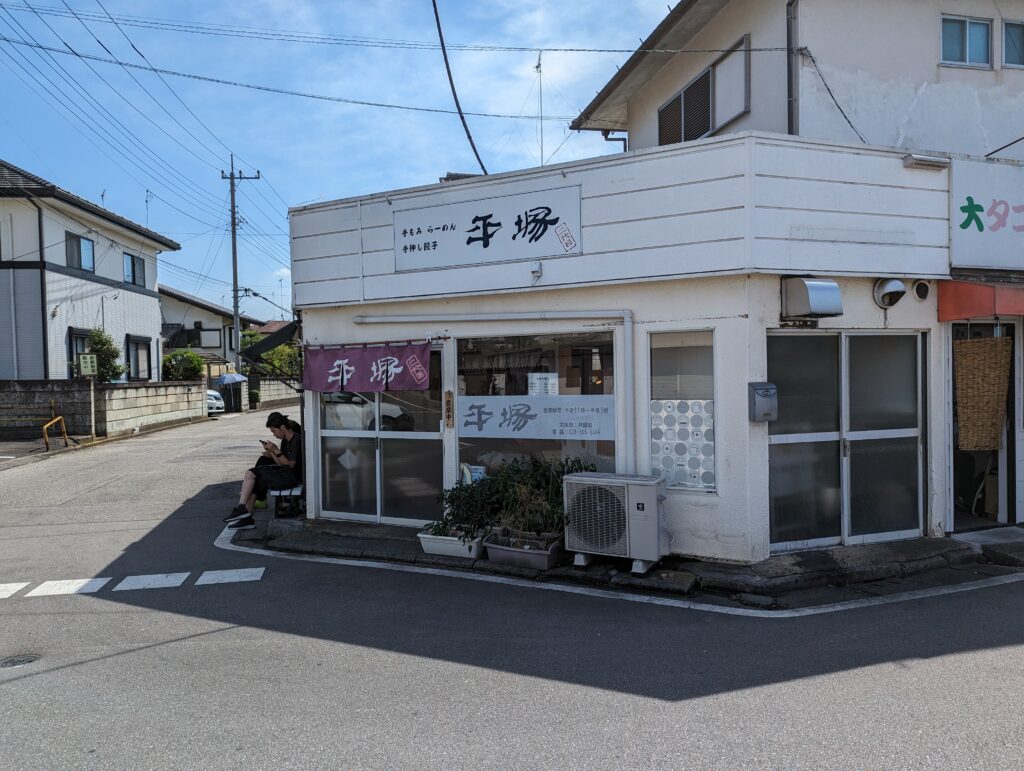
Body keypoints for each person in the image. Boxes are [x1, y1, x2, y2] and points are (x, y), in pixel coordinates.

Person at [224, 412, 303, 530]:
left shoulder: (296, 439)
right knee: (254, 477)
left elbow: (290, 465)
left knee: (251, 474)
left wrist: (276, 451)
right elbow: (280, 463)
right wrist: (272, 452)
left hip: (292, 478)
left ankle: (243, 510)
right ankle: (246, 517)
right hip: (285, 474)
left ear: (282, 428)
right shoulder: (285, 440)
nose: (274, 434)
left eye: (274, 431)